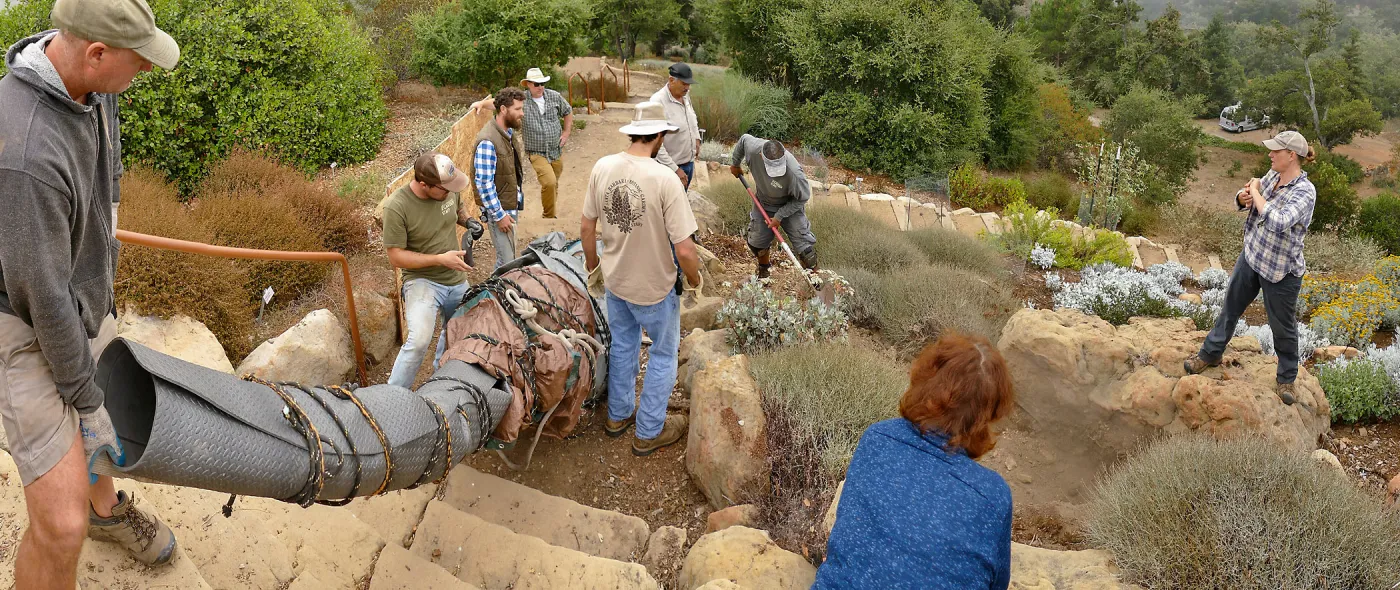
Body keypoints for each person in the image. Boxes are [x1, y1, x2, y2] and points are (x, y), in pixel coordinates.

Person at [0, 0, 182, 585]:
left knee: (107, 419)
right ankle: (85, 517)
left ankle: (107, 510)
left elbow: (107, 164)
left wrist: (104, 257)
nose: (147, 71)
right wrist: (83, 399)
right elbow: (43, 298)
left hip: (75, 293)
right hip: (19, 317)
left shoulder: (92, 86)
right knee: (60, 527)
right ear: (96, 52)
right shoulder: (26, 150)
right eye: (140, 61)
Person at [816, 332, 1016, 590]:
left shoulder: (878, 437)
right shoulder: (993, 495)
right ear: (990, 412)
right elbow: (997, 583)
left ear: (925, 381)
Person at [581, 102, 702, 457]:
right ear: (659, 136)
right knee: (664, 354)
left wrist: (594, 268)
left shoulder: (603, 167)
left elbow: (587, 227)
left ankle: (617, 416)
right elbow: (685, 250)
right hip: (656, 287)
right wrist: (694, 282)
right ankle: (649, 431)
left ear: (634, 132)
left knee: (622, 345)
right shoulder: (665, 179)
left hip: (617, 282)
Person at [1184, 130, 1318, 405]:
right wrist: (1243, 197)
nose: (1270, 154)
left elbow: (1279, 221)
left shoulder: (1305, 192)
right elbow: (1250, 199)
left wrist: (1256, 192)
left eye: (1275, 151)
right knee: (1230, 307)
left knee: (1283, 327)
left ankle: (1286, 379)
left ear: (1291, 155)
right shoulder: (1273, 176)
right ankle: (1210, 354)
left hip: (1281, 270)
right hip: (1253, 255)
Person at [382, 152, 477, 388]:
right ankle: (390, 397)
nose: (449, 193)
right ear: (424, 184)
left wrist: (468, 221)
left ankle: (439, 380)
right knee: (418, 341)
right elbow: (395, 256)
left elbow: (458, 210)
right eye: (444, 190)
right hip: (422, 281)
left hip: (455, 279)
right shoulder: (397, 207)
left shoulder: (447, 190)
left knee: (457, 331)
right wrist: (439, 259)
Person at [729, 134, 818, 278]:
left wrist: (780, 216)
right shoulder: (753, 147)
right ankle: (764, 272)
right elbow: (743, 139)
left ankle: (815, 282)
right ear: (761, 156)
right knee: (757, 243)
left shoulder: (795, 173)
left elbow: (802, 198)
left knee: (806, 251)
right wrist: (735, 164)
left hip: (790, 206)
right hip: (764, 203)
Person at [474, 87, 528, 269]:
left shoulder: (507, 132)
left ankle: (497, 294)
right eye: (518, 109)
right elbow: (483, 183)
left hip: (508, 206)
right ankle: (491, 296)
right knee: (508, 262)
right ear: (504, 109)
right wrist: (499, 216)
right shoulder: (488, 141)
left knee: (507, 258)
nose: (522, 113)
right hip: (500, 210)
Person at [520, 67, 573, 219]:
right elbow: (500, 102)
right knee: (549, 182)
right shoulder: (521, 100)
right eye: (536, 84)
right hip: (536, 152)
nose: (540, 87)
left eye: (542, 83)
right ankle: (549, 217)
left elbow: (568, 111)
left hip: (555, 150)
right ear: (528, 84)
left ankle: (550, 213)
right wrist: (481, 105)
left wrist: (566, 132)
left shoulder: (554, 96)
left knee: (554, 183)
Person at [650, 63, 701, 190]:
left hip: (688, 163)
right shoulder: (657, 102)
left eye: (689, 84)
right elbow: (655, 142)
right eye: (684, 84)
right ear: (671, 80)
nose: (687, 88)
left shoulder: (685, 95)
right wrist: (675, 169)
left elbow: (692, 117)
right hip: (668, 169)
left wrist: (697, 138)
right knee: (668, 207)